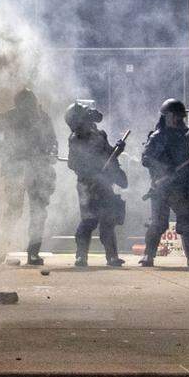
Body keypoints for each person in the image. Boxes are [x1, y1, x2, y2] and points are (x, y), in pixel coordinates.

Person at [0, 89, 57, 266]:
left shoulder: (42, 117)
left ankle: (33, 252)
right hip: (15, 168)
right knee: (15, 210)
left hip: (37, 168)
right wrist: (5, 149)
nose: (28, 107)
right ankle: (1, 248)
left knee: (38, 211)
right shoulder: (9, 117)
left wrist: (50, 154)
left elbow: (53, 141)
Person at [139, 98, 189, 267]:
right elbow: (146, 158)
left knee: (186, 221)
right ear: (168, 116)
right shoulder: (157, 137)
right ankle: (148, 256)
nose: (180, 119)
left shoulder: (182, 136)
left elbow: (186, 162)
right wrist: (165, 168)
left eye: (181, 116)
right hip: (162, 186)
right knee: (158, 223)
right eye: (177, 115)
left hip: (181, 187)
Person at [65, 102, 127, 267]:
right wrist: (91, 172)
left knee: (108, 219)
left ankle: (112, 256)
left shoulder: (99, 134)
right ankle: (81, 256)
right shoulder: (76, 139)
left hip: (104, 181)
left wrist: (117, 150)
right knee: (89, 220)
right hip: (88, 183)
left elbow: (108, 154)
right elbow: (72, 163)